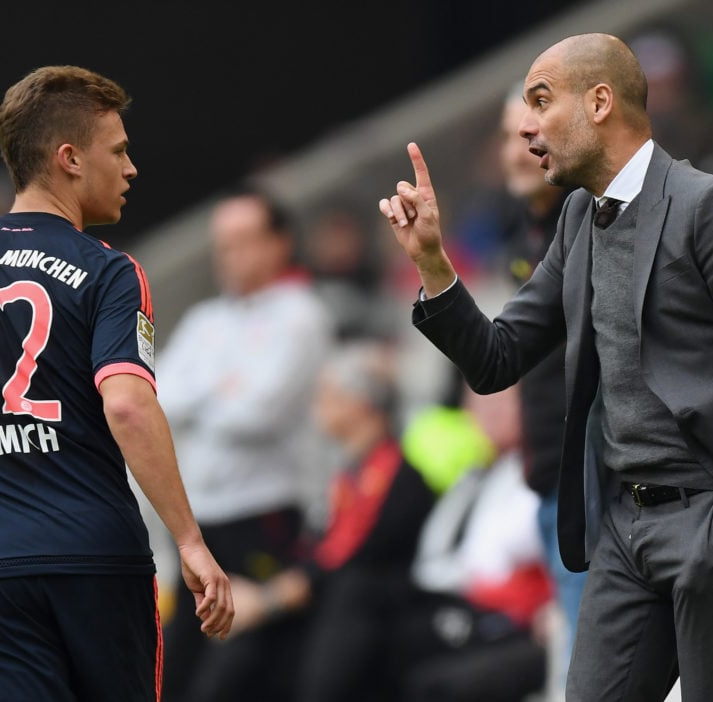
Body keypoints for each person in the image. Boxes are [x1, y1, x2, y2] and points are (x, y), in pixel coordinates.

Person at [378, 32, 713, 702]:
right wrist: (433, 263)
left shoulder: (712, 206)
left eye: (541, 101)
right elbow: (498, 359)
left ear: (602, 102)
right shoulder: (580, 217)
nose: (525, 127)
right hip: (624, 527)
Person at [0, 65, 233, 702]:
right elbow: (127, 405)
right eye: (120, 151)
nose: (131, 169)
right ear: (70, 158)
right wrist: (189, 539)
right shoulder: (108, 272)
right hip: (92, 559)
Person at [154, 185, 333, 700]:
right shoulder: (206, 319)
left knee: (241, 673)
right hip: (197, 524)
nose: (228, 255)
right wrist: (225, 385)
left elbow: (259, 413)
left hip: (263, 517)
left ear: (280, 243)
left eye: (242, 240)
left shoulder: (301, 314)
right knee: (172, 673)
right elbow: (159, 397)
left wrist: (202, 393)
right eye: (222, 243)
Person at [208, 340, 435, 702]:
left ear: (360, 405)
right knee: (238, 653)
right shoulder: (349, 475)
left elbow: (349, 560)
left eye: (327, 394)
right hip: (328, 609)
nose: (317, 405)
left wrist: (268, 601)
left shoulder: (399, 479)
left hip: (369, 620)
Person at [494, 83, 586, 696]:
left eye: (529, 133)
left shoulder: (589, 225)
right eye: (506, 135)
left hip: (594, 489)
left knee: (594, 668)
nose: (515, 149)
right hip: (552, 486)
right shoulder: (528, 240)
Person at [388, 382, 553, 702]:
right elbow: (432, 559)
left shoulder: (538, 474)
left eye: (500, 405)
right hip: (456, 598)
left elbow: (513, 554)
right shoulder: (476, 474)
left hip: (511, 619)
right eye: (477, 406)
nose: (486, 417)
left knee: (431, 680)